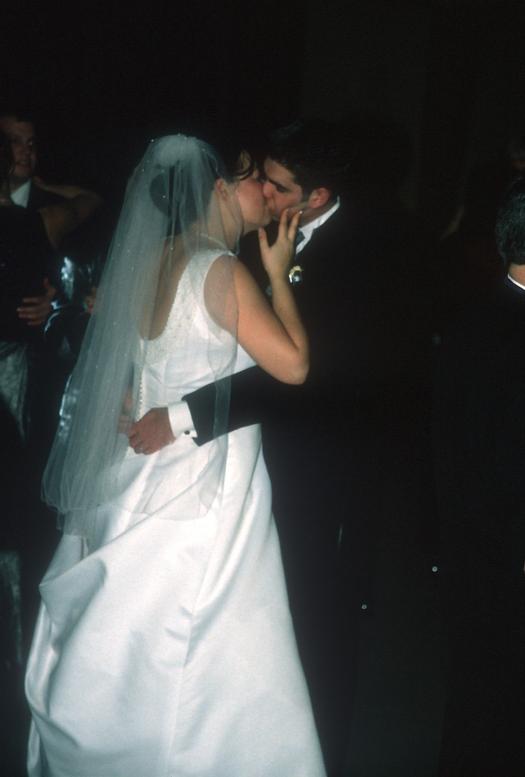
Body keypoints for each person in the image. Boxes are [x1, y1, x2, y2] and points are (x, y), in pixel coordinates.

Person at [25, 135, 326, 777]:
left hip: (142, 468)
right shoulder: (223, 270)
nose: (265, 192)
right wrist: (278, 275)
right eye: (253, 179)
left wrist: (137, 402)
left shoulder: (155, 257)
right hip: (210, 481)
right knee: (218, 629)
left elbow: (137, 366)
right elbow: (295, 367)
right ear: (219, 188)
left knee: (144, 636)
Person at [175, 118, 431, 774]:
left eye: (277, 185)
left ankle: (317, 748)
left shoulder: (364, 254)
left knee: (316, 616)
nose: (262, 191)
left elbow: (300, 376)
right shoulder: (262, 230)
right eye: (260, 177)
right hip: (259, 458)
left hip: (322, 467)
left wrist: (183, 413)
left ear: (316, 197)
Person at [434, 177, 525, 776]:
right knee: (489, 708)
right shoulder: (489, 331)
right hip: (499, 557)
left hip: (489, 550)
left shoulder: (480, 318)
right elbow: (474, 460)